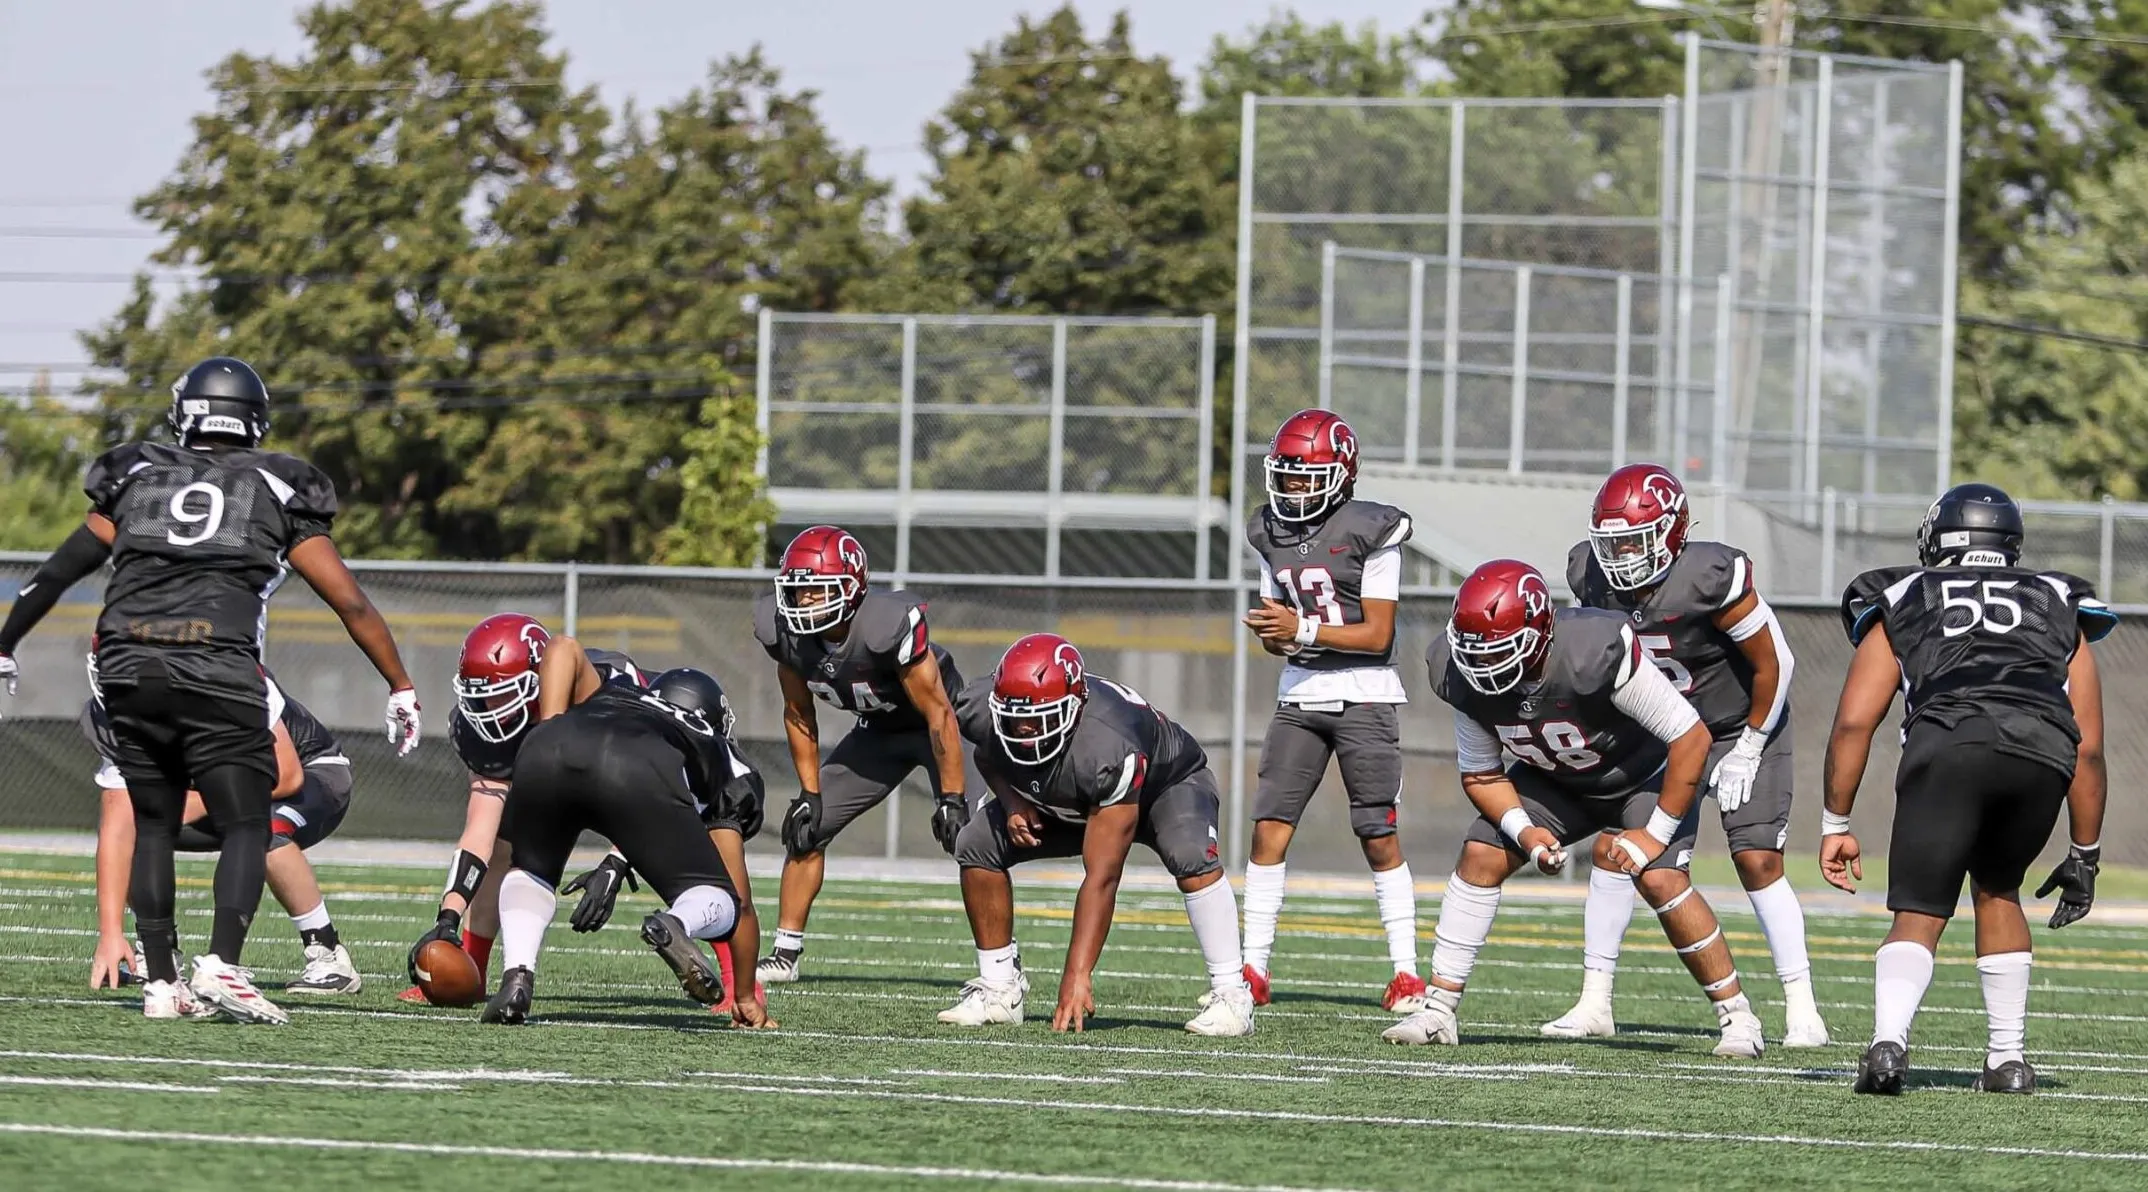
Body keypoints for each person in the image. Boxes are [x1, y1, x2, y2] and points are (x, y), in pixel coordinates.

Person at [0, 356, 418, 1025]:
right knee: (248, 816)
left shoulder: (137, 477)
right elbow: (351, 602)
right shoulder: (279, 486)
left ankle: (163, 985)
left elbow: (55, 573)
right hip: (216, 661)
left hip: (125, 661)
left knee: (155, 821)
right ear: (253, 419)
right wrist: (398, 683)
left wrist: (6, 640)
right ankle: (222, 964)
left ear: (184, 412)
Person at [1387, 559, 1765, 1057]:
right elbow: (1481, 773)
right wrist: (1525, 833)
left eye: (1499, 651)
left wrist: (1655, 832)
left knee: (1659, 877)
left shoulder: (1594, 649)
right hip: (1558, 781)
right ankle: (1438, 1009)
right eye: (1474, 653)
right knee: (1481, 854)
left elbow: (1690, 737)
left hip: (1640, 774)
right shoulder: (1459, 674)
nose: (1483, 667)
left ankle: (1738, 1018)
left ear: (1539, 633)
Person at [1823, 483, 2112, 1096]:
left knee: (1921, 908)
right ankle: (2006, 1060)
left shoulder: (1903, 593)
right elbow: (2088, 745)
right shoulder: (2058, 597)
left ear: (1939, 539)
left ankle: (1887, 1045)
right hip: (2042, 752)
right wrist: (2084, 854)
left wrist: (1835, 823)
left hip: (1950, 742)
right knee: (1998, 887)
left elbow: (1854, 721)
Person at [1546, 464, 1826, 1047]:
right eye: (1612, 542)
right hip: (1660, 733)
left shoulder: (1709, 577)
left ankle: (1802, 1006)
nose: (1622, 555)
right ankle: (1595, 1001)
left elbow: (1778, 663)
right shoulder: (1588, 573)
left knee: (1756, 860)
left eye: (1635, 541)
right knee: (1617, 851)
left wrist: (1749, 746)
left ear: (1673, 533)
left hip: (1738, 724)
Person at [939, 633, 1255, 1037]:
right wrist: (1012, 801)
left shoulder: (1109, 741)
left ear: (1074, 706)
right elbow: (988, 751)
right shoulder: (984, 707)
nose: (1025, 730)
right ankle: (1000, 989)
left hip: (1164, 785)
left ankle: (1232, 994)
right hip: (1076, 793)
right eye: (1015, 718)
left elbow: (1102, 877)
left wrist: (1077, 972)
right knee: (977, 843)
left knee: (1191, 856)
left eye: (1039, 718)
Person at [1240, 409, 1425, 1013]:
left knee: (1377, 833)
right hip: (1300, 693)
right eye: (1285, 475)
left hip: (1366, 694)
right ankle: (1251, 968)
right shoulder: (1267, 531)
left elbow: (1377, 635)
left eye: (1304, 475)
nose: (1292, 487)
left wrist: (1302, 626)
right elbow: (1279, 632)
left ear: (1339, 474)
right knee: (1269, 826)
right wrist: (1278, 633)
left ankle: (1406, 973)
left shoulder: (1372, 529)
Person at [478, 676, 769, 1028]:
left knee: (530, 870)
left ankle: (516, 979)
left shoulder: (621, 690)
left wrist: (616, 861)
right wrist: (744, 997)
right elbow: (741, 902)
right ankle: (677, 922)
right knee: (721, 899)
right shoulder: (720, 753)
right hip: (638, 765)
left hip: (548, 742)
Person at [752, 526, 971, 986]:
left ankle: (1001, 971)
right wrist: (809, 791)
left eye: (817, 590)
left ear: (852, 588)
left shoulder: (884, 625)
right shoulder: (785, 634)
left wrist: (951, 796)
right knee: (807, 828)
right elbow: (798, 714)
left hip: (943, 728)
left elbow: (939, 714)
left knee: (977, 840)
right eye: (797, 589)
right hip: (879, 735)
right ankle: (785, 954)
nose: (804, 601)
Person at [400, 614, 644, 1004]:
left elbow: (651, 804)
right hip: (560, 755)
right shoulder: (485, 727)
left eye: (503, 691)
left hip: (636, 763)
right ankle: (475, 969)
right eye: (482, 693)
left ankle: (739, 987)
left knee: (691, 852)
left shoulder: (601, 702)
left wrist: (617, 861)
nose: (490, 706)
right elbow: (479, 828)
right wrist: (447, 918)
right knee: (501, 846)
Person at [83, 672, 362, 1003]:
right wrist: (110, 932)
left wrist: (195, 801)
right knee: (136, 823)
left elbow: (286, 776)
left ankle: (328, 953)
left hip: (312, 774)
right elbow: (116, 827)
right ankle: (157, 951)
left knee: (265, 828)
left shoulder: (228, 677)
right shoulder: (113, 708)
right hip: (223, 785)